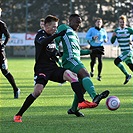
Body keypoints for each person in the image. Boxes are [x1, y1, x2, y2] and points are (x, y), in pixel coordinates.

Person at [13, 15, 97, 123]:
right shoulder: (41, 35)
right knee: (37, 92)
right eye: (53, 27)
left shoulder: (53, 38)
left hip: (53, 68)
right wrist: (56, 35)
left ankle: (81, 102)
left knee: (72, 76)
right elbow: (43, 42)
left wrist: (88, 52)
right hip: (42, 69)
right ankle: (18, 115)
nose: (55, 29)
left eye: (56, 27)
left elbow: (56, 53)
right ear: (46, 26)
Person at [55, 14, 109, 117]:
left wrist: (92, 51)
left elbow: (78, 51)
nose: (79, 24)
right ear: (70, 21)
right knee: (85, 74)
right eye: (77, 22)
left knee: (82, 87)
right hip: (70, 60)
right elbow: (56, 40)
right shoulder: (63, 27)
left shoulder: (74, 35)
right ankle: (94, 96)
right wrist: (55, 52)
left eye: (80, 23)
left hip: (75, 59)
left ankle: (73, 109)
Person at [0, 8, 20, 99]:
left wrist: (3, 45)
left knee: (5, 71)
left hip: (0, 52)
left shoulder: (1, 24)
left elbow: (8, 36)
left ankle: (16, 89)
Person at [111, 15, 133, 84]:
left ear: (125, 22)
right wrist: (113, 37)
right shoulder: (117, 31)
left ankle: (127, 75)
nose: (122, 24)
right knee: (131, 66)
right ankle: (128, 75)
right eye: (120, 22)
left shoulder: (129, 30)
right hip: (123, 52)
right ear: (118, 23)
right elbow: (112, 41)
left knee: (116, 61)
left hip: (128, 51)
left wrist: (132, 41)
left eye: (123, 22)